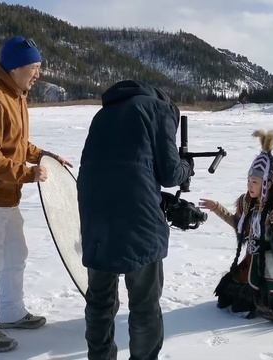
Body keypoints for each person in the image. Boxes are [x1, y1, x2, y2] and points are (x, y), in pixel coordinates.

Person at [0, 36, 70, 353]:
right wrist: (27, 174)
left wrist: (44, 156)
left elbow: (16, 145)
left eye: (39, 68)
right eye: (34, 68)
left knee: (15, 255)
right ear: (16, 67)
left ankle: (10, 312)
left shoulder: (14, 95)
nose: (38, 75)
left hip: (4, 195)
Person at [78, 80, 193, 360]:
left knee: (100, 300)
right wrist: (186, 166)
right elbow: (168, 172)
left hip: (94, 212)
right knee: (144, 303)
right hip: (137, 218)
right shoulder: (159, 109)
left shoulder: (103, 114)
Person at [200, 130, 273, 325]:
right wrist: (217, 208)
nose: (250, 185)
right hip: (249, 261)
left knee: (250, 304)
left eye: (255, 182)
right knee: (228, 301)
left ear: (267, 184)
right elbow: (239, 226)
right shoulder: (248, 204)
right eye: (249, 180)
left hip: (271, 267)